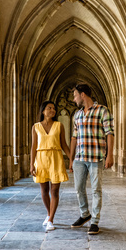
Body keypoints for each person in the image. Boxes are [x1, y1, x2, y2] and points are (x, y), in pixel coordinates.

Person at [69, 83, 114, 235]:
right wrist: (71, 159)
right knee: (78, 188)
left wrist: (110, 154)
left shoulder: (102, 110)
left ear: (83, 95)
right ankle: (84, 214)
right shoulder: (77, 114)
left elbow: (109, 133)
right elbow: (74, 137)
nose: (74, 99)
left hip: (96, 157)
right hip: (79, 158)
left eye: (75, 95)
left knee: (96, 190)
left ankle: (94, 221)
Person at [30, 100, 71, 232]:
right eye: (49, 108)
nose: (52, 110)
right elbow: (33, 147)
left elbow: (64, 144)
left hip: (56, 158)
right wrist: (31, 164)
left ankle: (51, 219)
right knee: (44, 191)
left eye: (54, 108)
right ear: (43, 111)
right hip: (41, 159)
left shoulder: (59, 125)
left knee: (54, 191)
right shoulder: (36, 127)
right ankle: (48, 214)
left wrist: (72, 160)